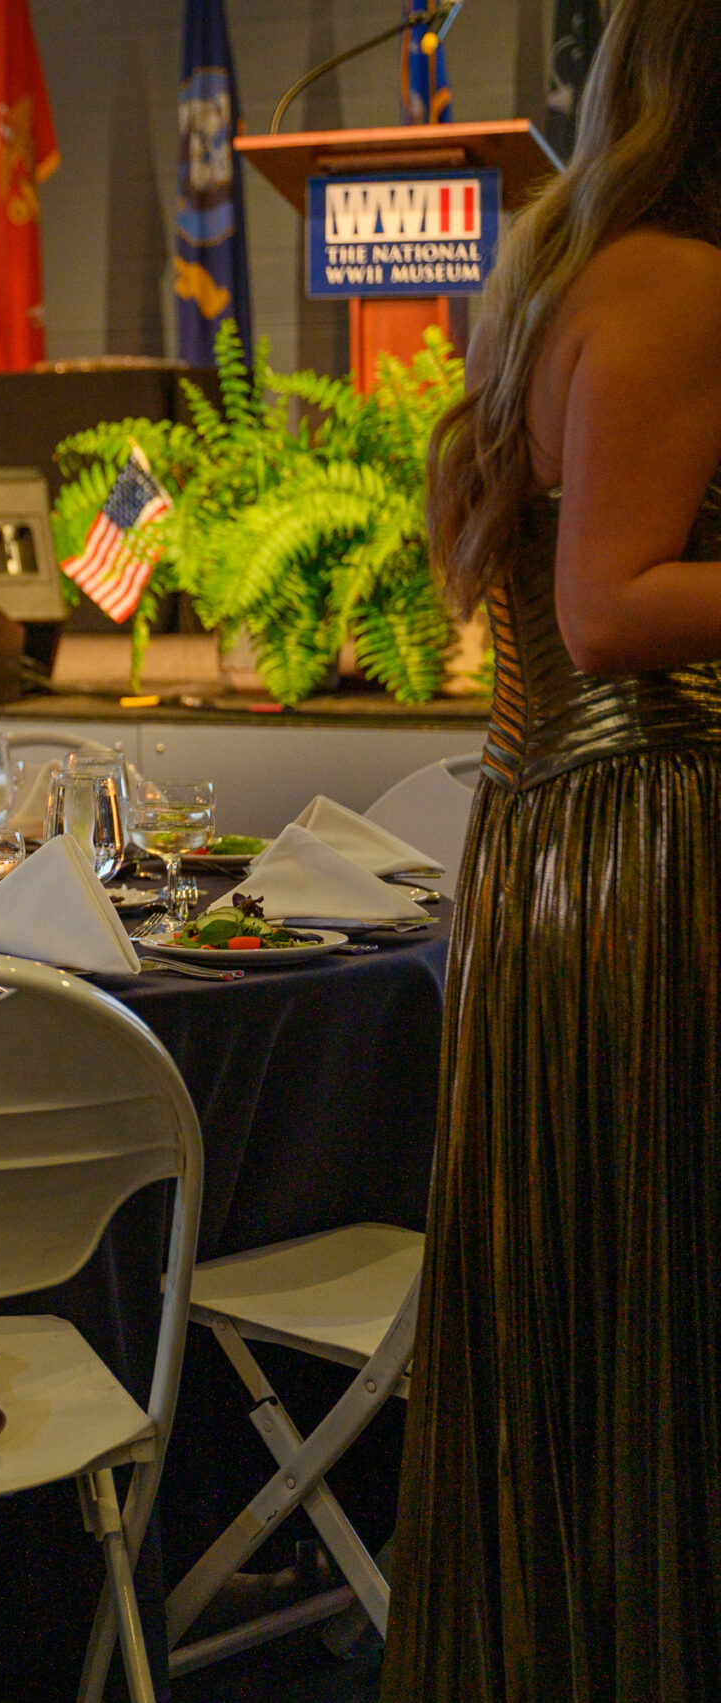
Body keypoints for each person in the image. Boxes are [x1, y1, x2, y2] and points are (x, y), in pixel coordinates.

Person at [384, 3, 721, 1697]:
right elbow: (611, 607)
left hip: (564, 853)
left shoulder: (583, 268)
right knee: (660, 1316)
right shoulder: (681, 282)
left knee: (592, 1324)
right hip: (651, 848)